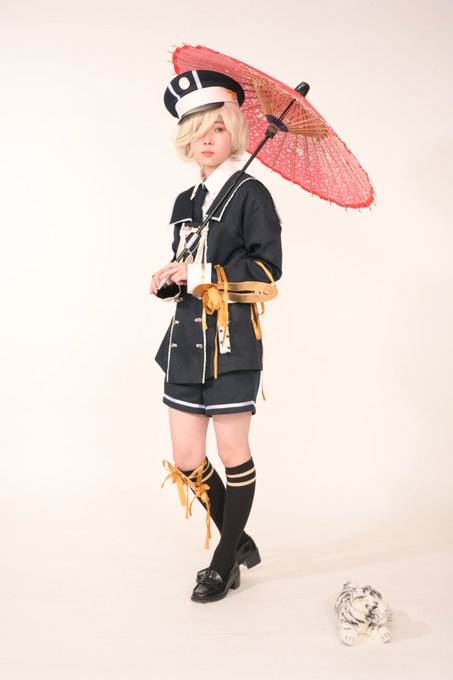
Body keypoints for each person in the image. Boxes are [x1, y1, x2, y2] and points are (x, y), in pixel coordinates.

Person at [150, 70, 283, 603]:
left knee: (232, 451)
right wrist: (170, 278)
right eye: (197, 130)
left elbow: (268, 273)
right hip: (184, 345)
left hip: (232, 345)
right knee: (187, 458)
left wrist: (202, 274)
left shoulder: (251, 194)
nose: (207, 140)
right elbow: (187, 266)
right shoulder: (185, 200)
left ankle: (224, 562)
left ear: (236, 133)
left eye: (218, 129)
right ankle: (239, 538)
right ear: (186, 138)